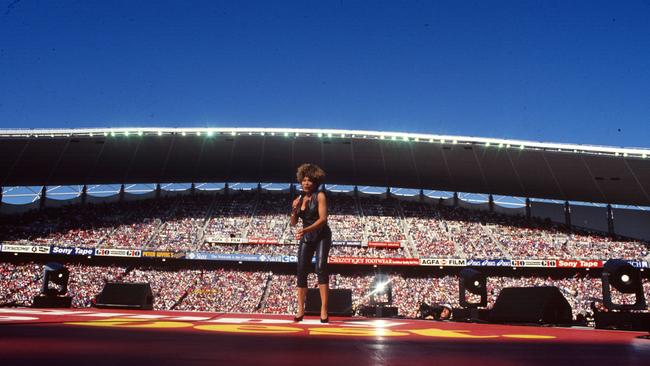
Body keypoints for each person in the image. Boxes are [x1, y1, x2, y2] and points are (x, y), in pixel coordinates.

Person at [290, 163, 332, 323]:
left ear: (315, 182)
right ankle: (301, 308)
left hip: (322, 235)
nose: (306, 183)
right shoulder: (299, 199)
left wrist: (306, 230)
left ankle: (324, 309)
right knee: (301, 270)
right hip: (307, 237)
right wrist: (293, 209)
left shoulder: (320, 196)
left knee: (320, 267)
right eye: (304, 180)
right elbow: (293, 223)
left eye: (310, 180)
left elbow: (323, 219)